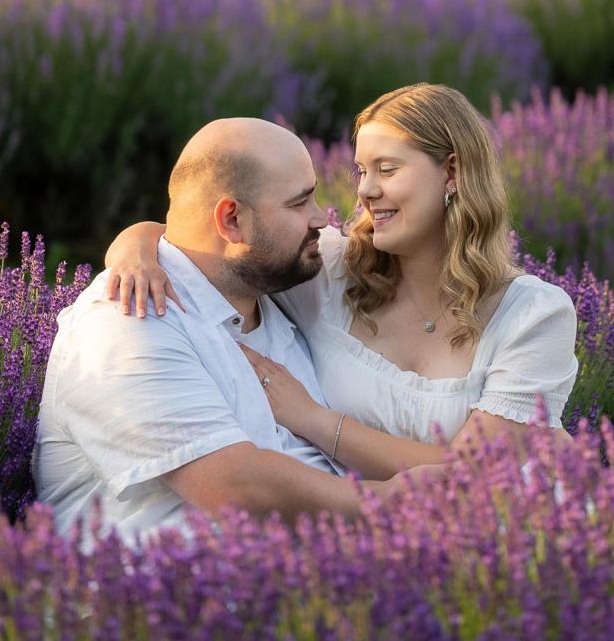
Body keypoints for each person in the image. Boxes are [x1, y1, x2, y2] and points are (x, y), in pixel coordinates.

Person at [105, 83, 578, 481]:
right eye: (361, 170)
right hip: (363, 533)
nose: (366, 190)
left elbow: (472, 477)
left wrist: (310, 417)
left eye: (387, 169)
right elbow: (207, 233)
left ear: (452, 171)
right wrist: (134, 249)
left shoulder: (533, 317)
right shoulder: (333, 272)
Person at [33, 117, 413, 547]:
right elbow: (237, 486)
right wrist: (394, 502)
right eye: (299, 202)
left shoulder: (280, 294)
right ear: (231, 220)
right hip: (157, 603)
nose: (319, 220)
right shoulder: (128, 319)